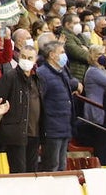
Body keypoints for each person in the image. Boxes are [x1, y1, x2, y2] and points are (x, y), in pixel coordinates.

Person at [36, 40, 76, 171]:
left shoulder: (62, 72)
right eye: (62, 52)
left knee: (62, 166)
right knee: (52, 165)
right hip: (51, 128)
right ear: (52, 55)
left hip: (64, 126)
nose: (65, 55)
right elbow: (40, 101)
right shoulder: (42, 73)